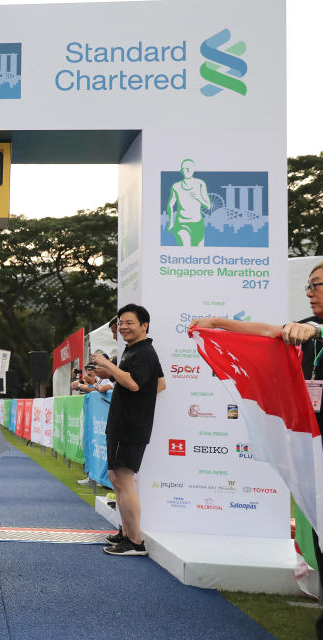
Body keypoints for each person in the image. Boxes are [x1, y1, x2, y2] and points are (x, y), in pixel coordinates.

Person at [190, 260, 323, 637]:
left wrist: (309, 328)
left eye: (316, 285)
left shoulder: (311, 328)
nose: (310, 292)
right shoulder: (303, 328)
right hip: (314, 452)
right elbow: (269, 331)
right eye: (308, 286)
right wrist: (219, 324)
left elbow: (307, 328)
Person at [91, 304, 166, 556]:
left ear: (144, 325)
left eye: (129, 322)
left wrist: (108, 366)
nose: (123, 327)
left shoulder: (144, 352)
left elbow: (134, 383)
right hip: (124, 422)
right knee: (116, 478)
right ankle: (126, 532)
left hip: (130, 425)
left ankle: (135, 541)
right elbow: (159, 384)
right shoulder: (134, 351)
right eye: (121, 322)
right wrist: (115, 377)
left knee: (123, 479)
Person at [165, 158, 211, 247]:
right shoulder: (176, 186)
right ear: (181, 170)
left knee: (199, 254)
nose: (187, 170)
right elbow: (170, 205)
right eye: (185, 168)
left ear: (193, 169)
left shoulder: (200, 184)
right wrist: (171, 222)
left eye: (189, 168)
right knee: (186, 250)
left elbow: (208, 206)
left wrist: (198, 198)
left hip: (198, 223)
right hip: (182, 223)